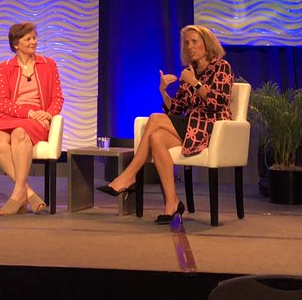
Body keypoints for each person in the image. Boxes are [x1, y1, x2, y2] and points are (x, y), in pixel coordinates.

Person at [99, 24, 233, 223]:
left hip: (212, 127)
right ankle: (172, 204)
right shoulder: (189, 71)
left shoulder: (222, 67)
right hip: (191, 126)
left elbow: (218, 102)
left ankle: (129, 175)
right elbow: (176, 110)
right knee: (156, 137)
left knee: (155, 118)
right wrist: (163, 91)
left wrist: (195, 83)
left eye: (194, 42)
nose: (190, 46)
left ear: (207, 44)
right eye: (187, 43)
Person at [0, 22, 64, 215]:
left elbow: (58, 97)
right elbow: (3, 102)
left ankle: (18, 194)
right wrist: (27, 113)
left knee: (20, 133)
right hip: (11, 115)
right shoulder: (4, 67)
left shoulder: (48, 64)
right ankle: (26, 192)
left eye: (34, 37)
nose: (33, 42)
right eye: (28, 39)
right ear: (16, 44)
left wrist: (49, 113)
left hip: (36, 119)